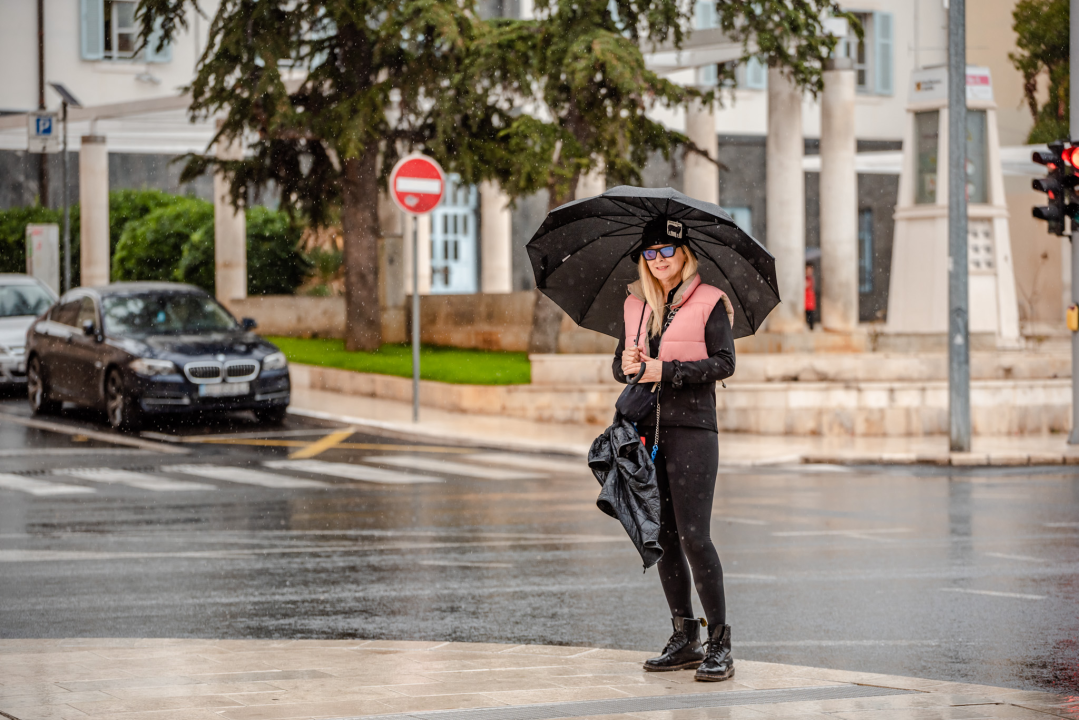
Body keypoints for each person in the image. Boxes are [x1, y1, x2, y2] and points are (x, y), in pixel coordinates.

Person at [612, 221, 737, 682]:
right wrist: (627, 364)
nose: (659, 259)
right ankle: (685, 638)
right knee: (662, 536)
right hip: (646, 431)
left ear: (684, 253)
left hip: (693, 430)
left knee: (694, 537)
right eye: (650, 252)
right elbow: (622, 366)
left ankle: (720, 644)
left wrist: (666, 371)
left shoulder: (709, 301)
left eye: (667, 250)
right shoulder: (636, 304)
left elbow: (724, 363)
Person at [805, 264, 817, 330]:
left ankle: (811, 327)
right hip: (806, 299)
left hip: (810, 299)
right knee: (807, 314)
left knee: (810, 314)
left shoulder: (810, 279)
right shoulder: (806, 278)